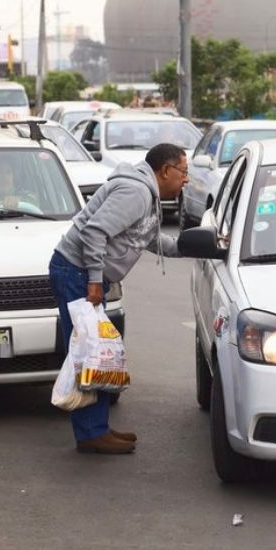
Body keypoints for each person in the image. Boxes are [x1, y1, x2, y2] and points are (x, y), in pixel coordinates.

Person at [49, 143, 189, 455]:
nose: (186, 179)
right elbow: (94, 233)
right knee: (89, 352)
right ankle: (90, 434)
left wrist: (192, 247)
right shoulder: (136, 193)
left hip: (81, 274)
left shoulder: (145, 194)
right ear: (165, 171)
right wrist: (96, 281)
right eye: (184, 171)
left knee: (98, 352)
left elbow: (146, 239)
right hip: (77, 273)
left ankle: (96, 428)